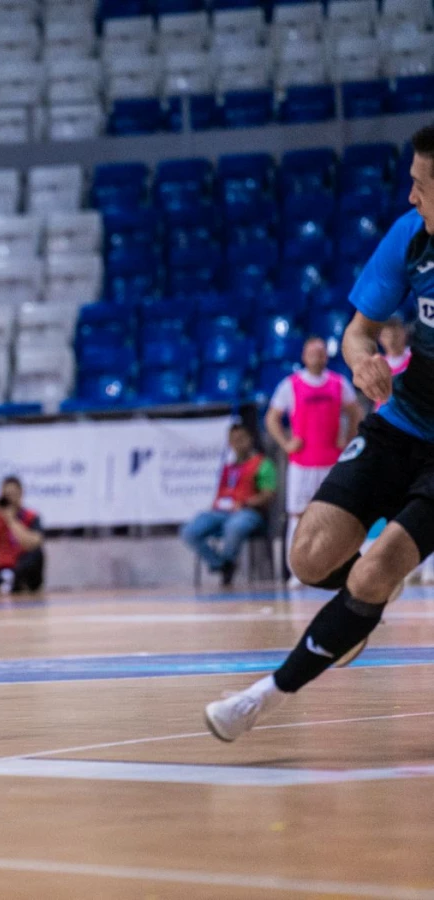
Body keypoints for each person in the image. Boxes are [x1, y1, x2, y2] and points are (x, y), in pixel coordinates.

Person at [204, 122, 434, 742]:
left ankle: (261, 698)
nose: (410, 195)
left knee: (377, 566)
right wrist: (361, 361)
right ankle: (360, 607)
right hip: (404, 421)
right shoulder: (411, 236)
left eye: (421, 185)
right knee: (308, 556)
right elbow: (358, 331)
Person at [264, 337, 363, 588]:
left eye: (320, 353)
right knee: (298, 516)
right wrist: (286, 443)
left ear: (326, 356)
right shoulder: (291, 385)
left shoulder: (339, 383)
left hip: (331, 463)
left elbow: (356, 412)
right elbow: (272, 418)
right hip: (302, 464)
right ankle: (296, 572)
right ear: (304, 356)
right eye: (312, 353)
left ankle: (338, 569)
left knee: (337, 517)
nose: (317, 357)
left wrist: (348, 438)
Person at [180, 423, 277, 587]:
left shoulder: (263, 464)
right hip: (222, 512)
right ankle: (222, 565)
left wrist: (246, 503)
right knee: (190, 530)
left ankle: (227, 562)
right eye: (233, 440)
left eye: (241, 439)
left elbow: (269, 495)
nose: (238, 444)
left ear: (250, 439)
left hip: (249, 513)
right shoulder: (228, 466)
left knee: (234, 526)